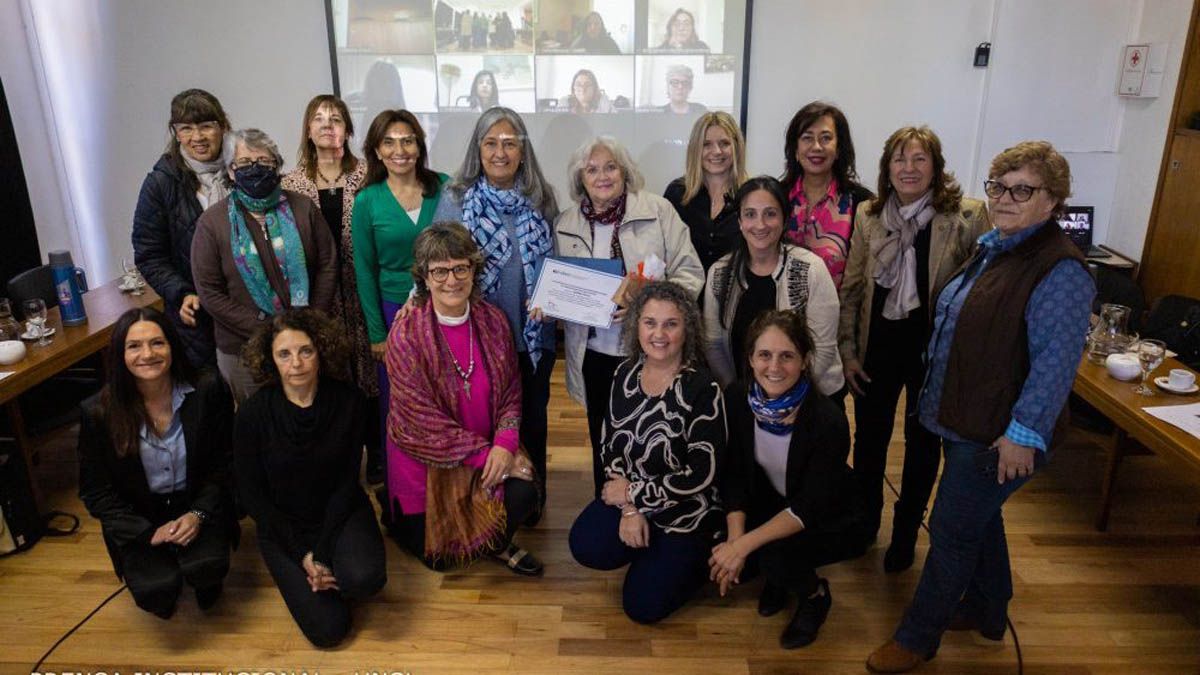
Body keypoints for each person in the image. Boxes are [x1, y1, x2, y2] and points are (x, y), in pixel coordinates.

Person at [866, 141, 1095, 673]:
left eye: (1023, 189)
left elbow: (1056, 365)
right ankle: (989, 611)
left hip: (998, 434)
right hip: (966, 418)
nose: (1006, 198)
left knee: (951, 532)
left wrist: (1023, 433)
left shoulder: (1059, 270)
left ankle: (917, 638)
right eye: (998, 186)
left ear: (1053, 200)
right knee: (979, 520)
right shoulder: (997, 246)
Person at [839, 126, 989, 573]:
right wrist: (847, 351)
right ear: (887, 168)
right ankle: (866, 524)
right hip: (876, 349)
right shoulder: (869, 215)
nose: (908, 169)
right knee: (869, 443)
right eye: (899, 160)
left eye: (919, 159)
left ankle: (905, 532)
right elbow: (852, 289)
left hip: (931, 355)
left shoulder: (965, 216)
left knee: (923, 448)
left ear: (935, 167)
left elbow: (979, 294)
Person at [385, 222, 543, 575]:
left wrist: (504, 445)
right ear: (424, 277)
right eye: (439, 271)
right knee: (442, 561)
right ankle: (399, 512)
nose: (452, 280)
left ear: (474, 269)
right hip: (426, 468)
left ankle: (496, 542)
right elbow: (419, 421)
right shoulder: (406, 333)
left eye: (461, 267)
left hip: (487, 452)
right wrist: (489, 456)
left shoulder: (493, 321)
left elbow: (511, 393)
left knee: (526, 490)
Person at [555, 135, 705, 496]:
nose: (602, 176)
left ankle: (655, 505)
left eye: (611, 167)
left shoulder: (658, 211)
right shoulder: (565, 223)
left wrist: (648, 297)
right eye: (592, 169)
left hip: (654, 352)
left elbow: (691, 274)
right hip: (595, 356)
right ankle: (608, 507)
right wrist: (552, 303)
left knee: (657, 435)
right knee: (603, 438)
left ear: (625, 172)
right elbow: (560, 285)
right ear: (580, 178)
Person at [711, 310, 870, 649]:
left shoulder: (828, 421)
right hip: (774, 501)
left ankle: (815, 596)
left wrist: (741, 547)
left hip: (828, 516)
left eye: (787, 356)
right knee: (728, 544)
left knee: (773, 557)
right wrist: (734, 540)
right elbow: (735, 474)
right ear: (750, 359)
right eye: (764, 355)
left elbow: (808, 508)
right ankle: (777, 576)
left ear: (805, 360)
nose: (774, 367)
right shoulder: (738, 398)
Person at [568, 281, 725, 624]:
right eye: (650, 322)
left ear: (688, 329)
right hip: (635, 499)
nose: (660, 334)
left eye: (671, 324)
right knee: (585, 543)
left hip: (686, 511)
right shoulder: (624, 373)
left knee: (641, 607)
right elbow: (609, 445)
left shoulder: (703, 388)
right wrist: (628, 508)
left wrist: (634, 495)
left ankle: (691, 561)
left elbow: (701, 474)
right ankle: (653, 551)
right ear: (635, 324)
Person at [236, 308, 386, 648]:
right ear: (270, 360)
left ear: (321, 351)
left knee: (364, 580)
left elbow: (347, 482)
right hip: (282, 525)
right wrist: (303, 553)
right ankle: (324, 575)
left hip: (340, 511)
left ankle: (333, 570)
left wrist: (320, 553)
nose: (297, 363)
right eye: (284, 354)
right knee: (329, 631)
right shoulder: (252, 413)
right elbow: (253, 497)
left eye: (306, 351)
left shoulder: (350, 401)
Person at [433, 107, 559, 514]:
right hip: (476, 340)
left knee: (533, 421)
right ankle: (485, 503)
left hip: (532, 336)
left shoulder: (543, 198)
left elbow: (556, 262)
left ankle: (531, 496)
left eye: (509, 143)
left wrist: (550, 296)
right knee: (483, 422)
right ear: (478, 149)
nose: (500, 152)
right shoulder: (456, 199)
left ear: (523, 151)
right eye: (491, 143)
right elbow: (435, 261)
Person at [78, 307, 236, 619]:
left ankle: (203, 575)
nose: (147, 354)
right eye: (134, 346)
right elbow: (96, 492)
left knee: (207, 567)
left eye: (157, 343)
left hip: (194, 501)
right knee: (157, 590)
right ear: (119, 355)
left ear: (172, 347)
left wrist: (198, 514)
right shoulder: (97, 412)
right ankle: (163, 576)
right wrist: (146, 532)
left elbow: (226, 462)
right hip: (140, 513)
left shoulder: (208, 389)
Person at [191, 128, 338, 403]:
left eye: (265, 162)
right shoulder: (212, 223)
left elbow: (328, 265)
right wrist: (264, 326)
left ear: (277, 166)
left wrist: (310, 319)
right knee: (260, 426)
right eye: (245, 164)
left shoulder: (303, 208)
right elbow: (209, 292)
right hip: (243, 349)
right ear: (231, 171)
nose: (255, 169)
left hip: (303, 341)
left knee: (307, 414)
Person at [281, 95, 382, 480]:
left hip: (364, 291)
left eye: (336, 118)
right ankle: (340, 456)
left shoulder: (370, 175)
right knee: (331, 376)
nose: (328, 125)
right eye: (319, 119)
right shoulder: (290, 185)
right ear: (308, 129)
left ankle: (375, 453)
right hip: (317, 300)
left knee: (370, 374)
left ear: (348, 129)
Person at [351, 109, 449, 474]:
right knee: (398, 403)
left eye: (407, 140)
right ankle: (402, 492)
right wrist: (378, 333)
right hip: (395, 314)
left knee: (443, 397)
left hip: (443, 308)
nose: (400, 149)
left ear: (419, 145)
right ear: (376, 151)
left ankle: (444, 483)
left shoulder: (444, 186)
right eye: (388, 142)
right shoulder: (367, 201)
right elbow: (364, 270)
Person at [704, 176, 844, 400]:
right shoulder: (720, 273)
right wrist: (738, 395)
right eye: (750, 214)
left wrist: (782, 397)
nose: (760, 224)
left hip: (811, 396)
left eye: (770, 213)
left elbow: (823, 349)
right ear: (739, 221)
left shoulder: (811, 269)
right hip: (744, 399)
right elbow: (714, 345)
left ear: (784, 219)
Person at [132, 88, 230, 369]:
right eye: (186, 128)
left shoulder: (242, 168)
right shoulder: (160, 184)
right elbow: (150, 256)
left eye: (206, 126)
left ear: (222, 126)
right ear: (175, 133)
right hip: (196, 317)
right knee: (213, 399)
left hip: (247, 309)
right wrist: (182, 292)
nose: (197, 137)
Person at [781, 101, 873, 288]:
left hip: (837, 314)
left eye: (826, 138)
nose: (816, 147)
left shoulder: (862, 203)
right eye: (807, 138)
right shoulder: (777, 196)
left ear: (838, 149)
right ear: (796, 150)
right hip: (777, 314)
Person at [664, 111, 749, 271]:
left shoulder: (751, 196)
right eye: (706, 144)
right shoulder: (676, 194)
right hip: (684, 293)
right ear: (696, 149)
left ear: (737, 147)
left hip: (736, 293)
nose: (717, 151)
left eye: (724, 143)